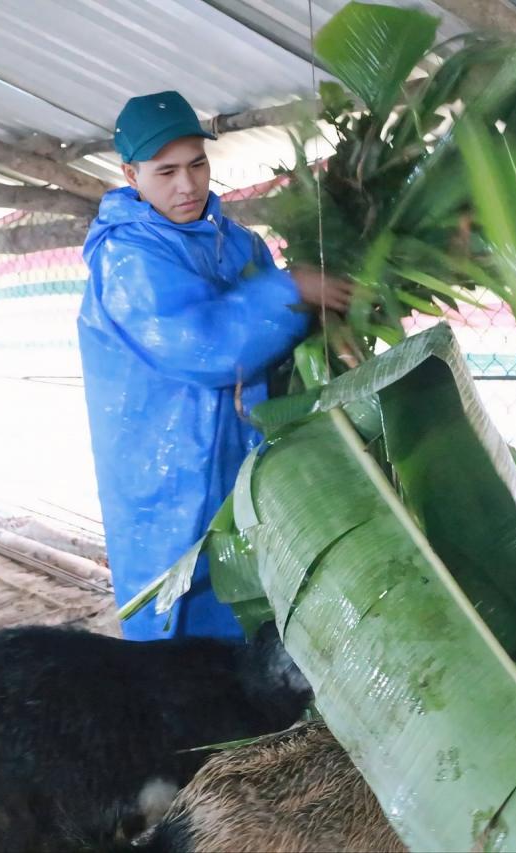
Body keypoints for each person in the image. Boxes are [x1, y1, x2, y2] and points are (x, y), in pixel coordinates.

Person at [78, 91, 352, 641]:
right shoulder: (127, 254)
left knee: (245, 591)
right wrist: (291, 291)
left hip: (236, 451)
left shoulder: (238, 242)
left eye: (197, 164)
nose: (187, 185)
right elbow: (200, 346)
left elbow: (276, 338)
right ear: (131, 174)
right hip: (165, 469)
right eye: (166, 171)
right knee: (176, 601)